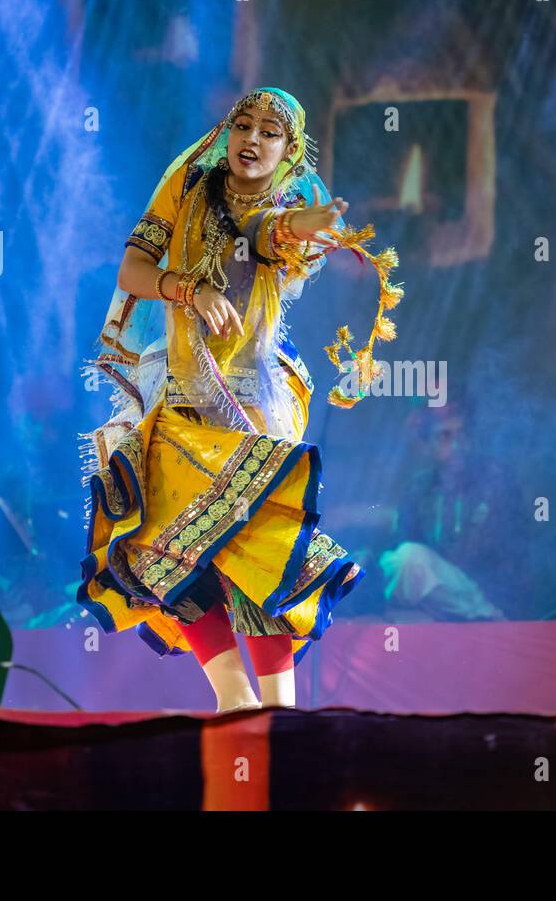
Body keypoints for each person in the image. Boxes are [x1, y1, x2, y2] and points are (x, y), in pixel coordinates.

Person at [77, 88, 386, 713]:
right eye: (242, 125)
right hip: (182, 395)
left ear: (289, 151)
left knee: (255, 547)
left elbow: (265, 231)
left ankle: (278, 709)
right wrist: (183, 289)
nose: (252, 138)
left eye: (270, 132)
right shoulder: (189, 186)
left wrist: (307, 224)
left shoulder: (284, 204)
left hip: (252, 406)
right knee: (156, 547)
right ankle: (233, 698)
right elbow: (132, 270)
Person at [379, 398, 527, 620]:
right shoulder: (419, 488)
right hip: (439, 602)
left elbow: (496, 556)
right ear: (428, 445)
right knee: (389, 566)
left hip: (488, 597)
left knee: (409, 558)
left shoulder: (495, 479)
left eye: (462, 435)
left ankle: (488, 618)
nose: (458, 446)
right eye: (445, 437)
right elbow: (404, 541)